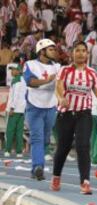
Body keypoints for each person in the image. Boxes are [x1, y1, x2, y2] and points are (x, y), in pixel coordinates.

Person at [50, 41, 97, 195]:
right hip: (66, 113)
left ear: (87, 54)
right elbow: (58, 87)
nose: (80, 53)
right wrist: (61, 98)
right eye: (77, 50)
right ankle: (56, 176)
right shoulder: (64, 70)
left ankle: (85, 182)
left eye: (83, 51)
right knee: (63, 147)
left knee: (83, 146)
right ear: (72, 53)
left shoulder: (92, 73)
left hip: (84, 114)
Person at [23, 39, 60, 180]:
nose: (54, 52)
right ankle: (38, 166)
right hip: (34, 106)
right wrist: (47, 80)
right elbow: (30, 82)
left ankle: (37, 168)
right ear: (42, 51)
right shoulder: (30, 64)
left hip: (51, 106)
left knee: (45, 139)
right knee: (37, 137)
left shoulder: (57, 67)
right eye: (51, 49)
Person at [4, 64, 26, 158]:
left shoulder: (16, 80)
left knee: (9, 131)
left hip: (15, 109)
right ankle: (19, 152)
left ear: (18, 70)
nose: (11, 72)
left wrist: (12, 108)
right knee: (19, 131)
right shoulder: (24, 80)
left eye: (13, 70)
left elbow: (15, 96)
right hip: (22, 109)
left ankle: (8, 150)